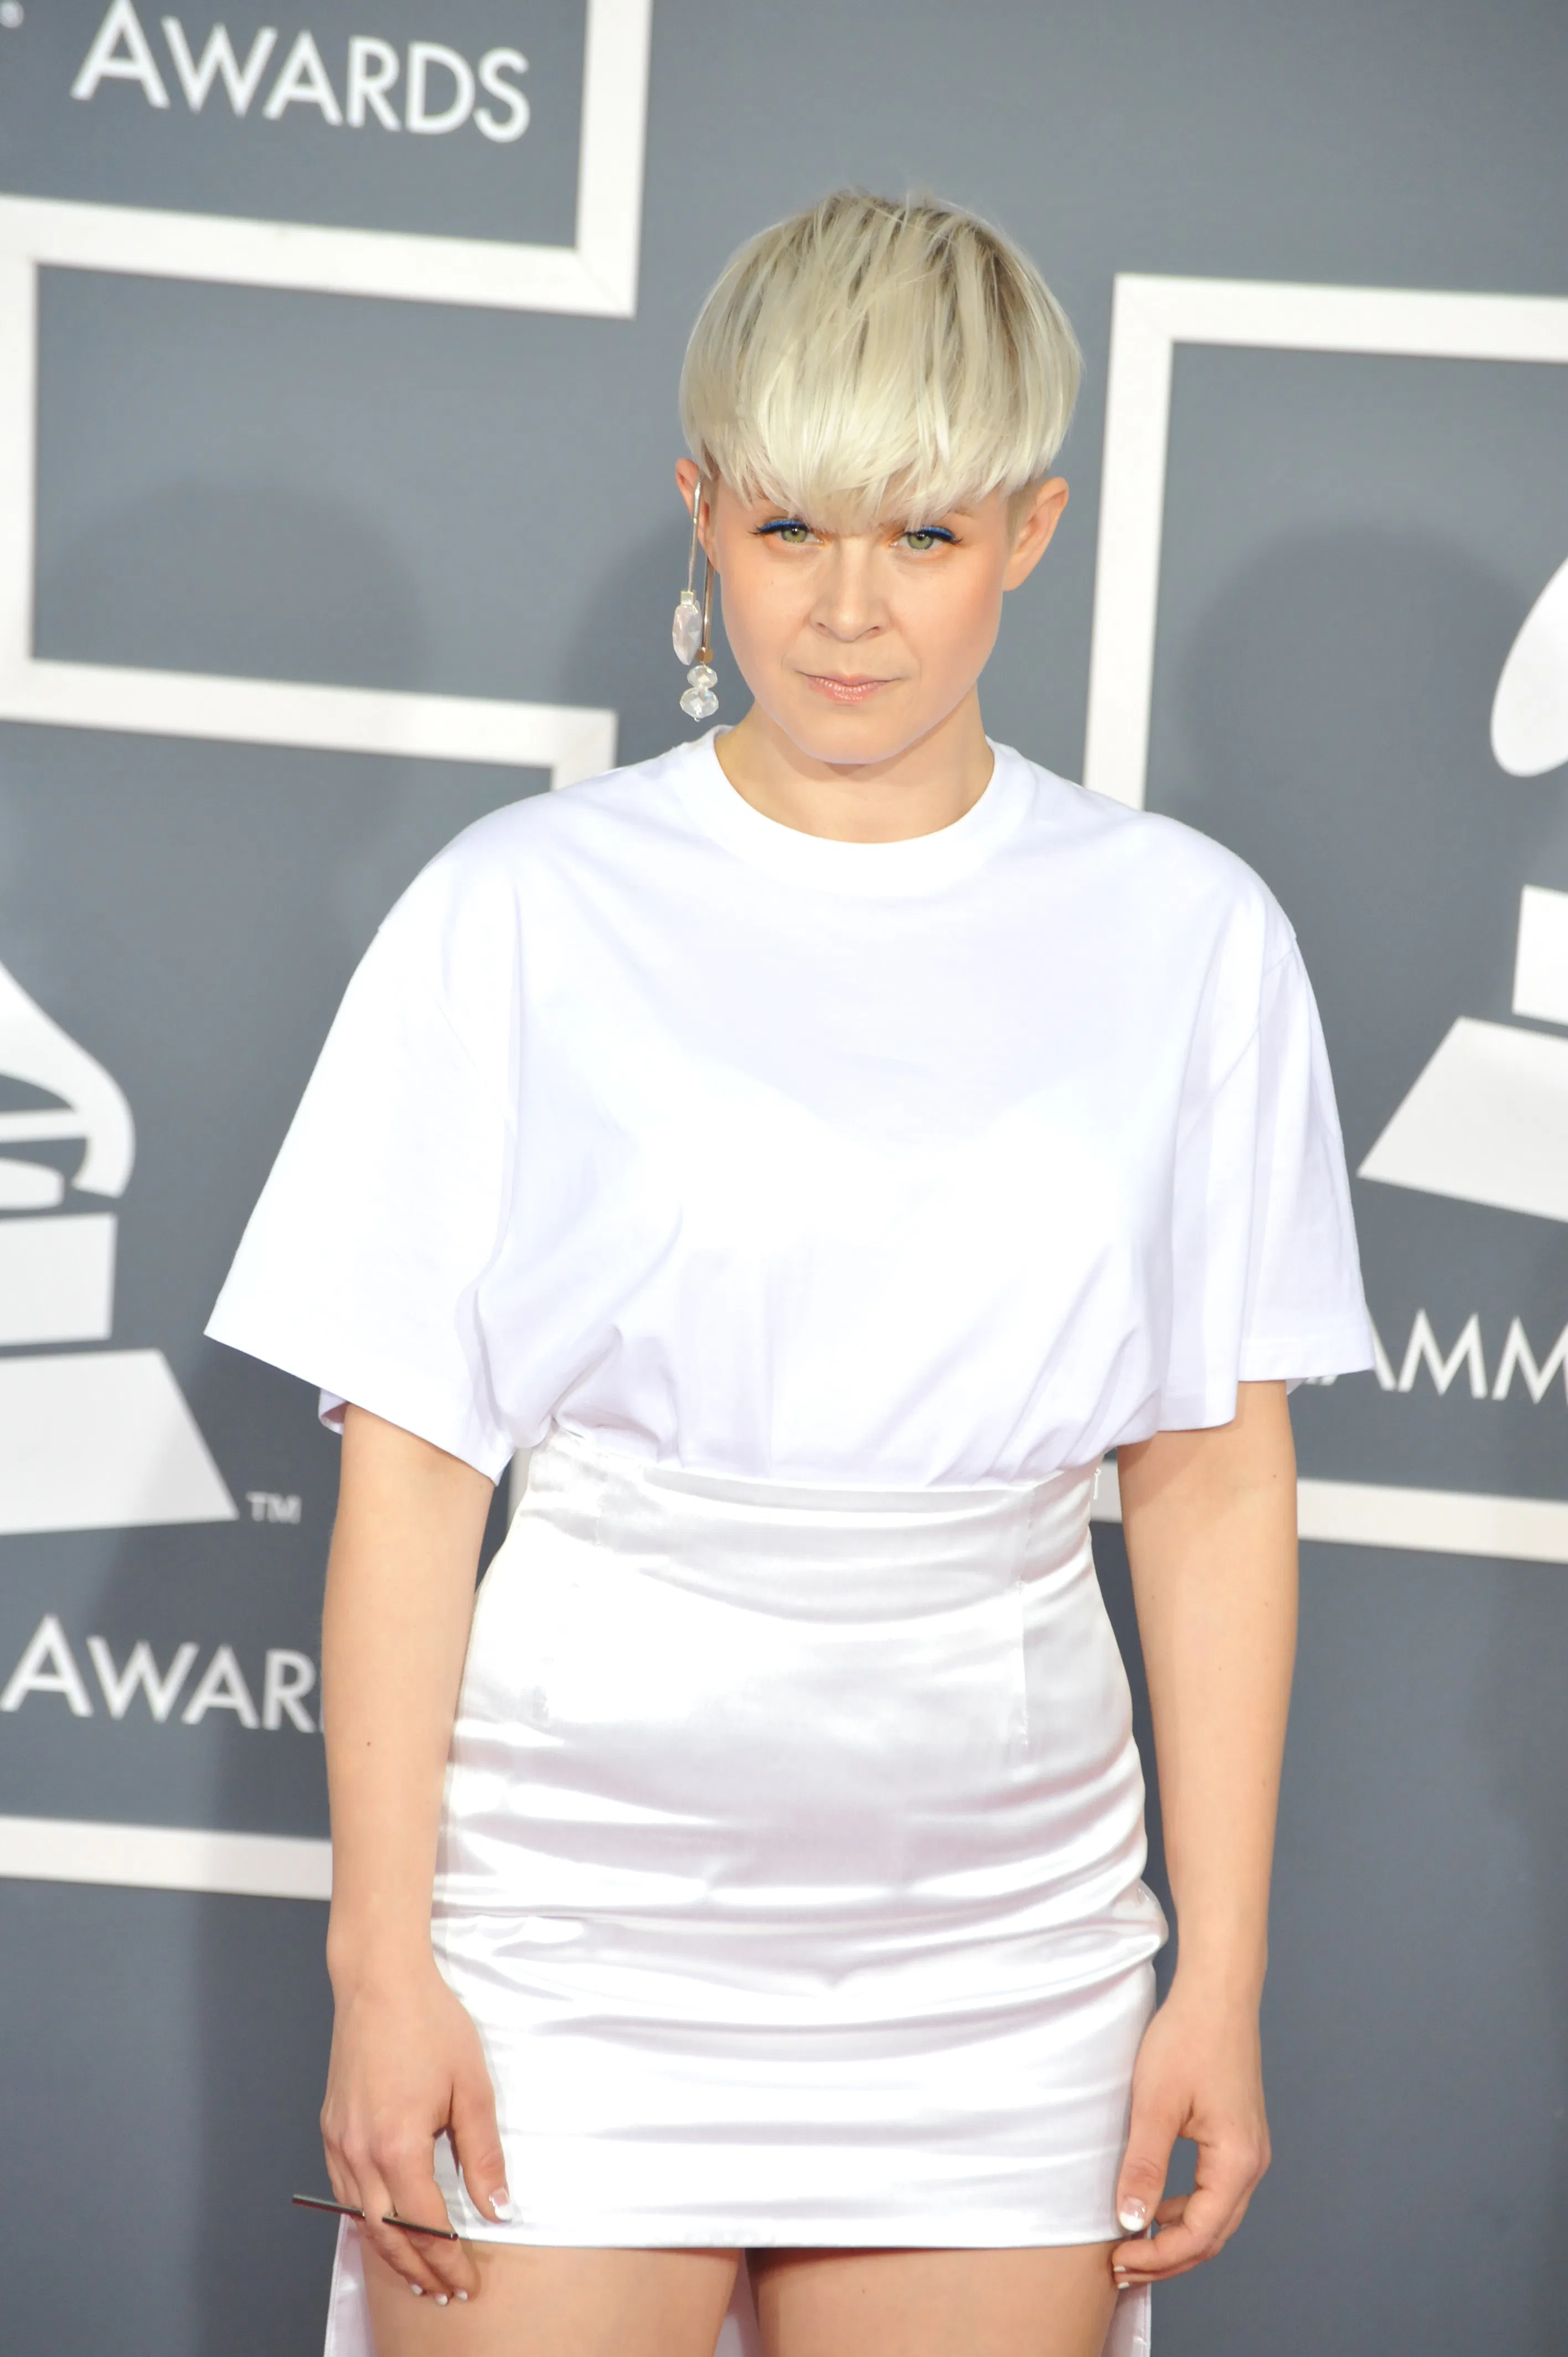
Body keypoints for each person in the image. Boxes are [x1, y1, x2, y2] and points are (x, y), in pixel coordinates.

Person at [208, 189, 1373, 2357]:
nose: (849, 609)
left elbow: (1211, 1478)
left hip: (1004, 1959)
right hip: (560, 1932)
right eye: (791, 527)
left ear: (1031, 530)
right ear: (700, 509)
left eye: (925, 537)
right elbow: (412, 1472)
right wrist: (386, 1961)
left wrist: (1215, 1976)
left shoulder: (1191, 935)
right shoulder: (520, 911)